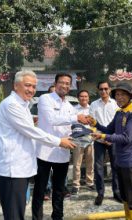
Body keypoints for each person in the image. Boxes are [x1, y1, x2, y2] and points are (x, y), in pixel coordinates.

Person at [0, 70, 75, 220]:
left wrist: (34, 118)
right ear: (16, 85)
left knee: (18, 211)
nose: (31, 90)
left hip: (22, 168)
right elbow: (31, 131)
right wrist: (59, 141)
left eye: (33, 86)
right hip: (13, 168)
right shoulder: (12, 105)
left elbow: (27, 124)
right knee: (14, 213)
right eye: (27, 85)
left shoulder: (23, 104)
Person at [32, 73, 89, 220]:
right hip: (44, 151)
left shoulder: (70, 106)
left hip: (62, 152)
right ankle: (36, 217)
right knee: (40, 189)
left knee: (59, 190)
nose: (64, 85)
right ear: (56, 83)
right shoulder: (45, 99)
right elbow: (52, 119)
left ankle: (57, 216)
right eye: (62, 82)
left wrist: (86, 133)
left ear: (70, 86)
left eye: (67, 83)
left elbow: (72, 127)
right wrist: (76, 117)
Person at [90, 82, 132, 219]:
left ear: (130, 96)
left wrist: (102, 136)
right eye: (118, 95)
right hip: (120, 161)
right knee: (125, 197)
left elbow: (127, 138)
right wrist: (95, 124)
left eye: (123, 94)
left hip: (130, 162)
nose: (119, 97)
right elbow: (109, 129)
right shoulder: (119, 112)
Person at [89, 81, 121, 205]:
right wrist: (102, 137)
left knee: (116, 167)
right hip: (99, 140)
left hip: (113, 140)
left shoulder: (116, 104)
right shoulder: (94, 105)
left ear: (110, 89)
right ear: (98, 90)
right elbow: (92, 123)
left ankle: (116, 192)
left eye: (106, 89)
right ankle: (100, 193)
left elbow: (118, 123)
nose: (103, 91)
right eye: (101, 89)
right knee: (98, 168)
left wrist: (111, 137)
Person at [71, 90, 95, 196]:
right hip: (78, 140)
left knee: (90, 162)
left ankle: (90, 182)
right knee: (77, 164)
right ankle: (76, 185)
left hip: (90, 139)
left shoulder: (92, 109)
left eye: (86, 96)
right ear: (78, 98)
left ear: (88, 98)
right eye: (81, 96)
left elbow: (96, 123)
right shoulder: (73, 110)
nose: (84, 98)